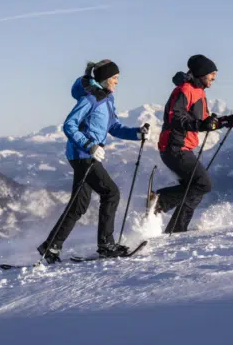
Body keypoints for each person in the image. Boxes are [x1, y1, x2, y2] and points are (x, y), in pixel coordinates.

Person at [37, 59, 150, 263]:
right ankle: (106, 244)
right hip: (83, 155)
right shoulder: (90, 99)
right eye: (114, 78)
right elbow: (69, 125)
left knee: (79, 204)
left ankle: (51, 246)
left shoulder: (107, 99)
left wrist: (137, 133)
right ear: (105, 79)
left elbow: (113, 127)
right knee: (111, 193)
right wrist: (89, 145)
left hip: (87, 154)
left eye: (117, 78)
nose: (117, 82)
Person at [148, 54, 233, 233]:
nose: (214, 78)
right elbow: (175, 117)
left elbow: (205, 121)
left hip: (181, 147)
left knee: (193, 186)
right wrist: (199, 125)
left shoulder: (198, 92)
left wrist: (226, 121)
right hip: (175, 147)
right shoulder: (185, 90)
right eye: (212, 74)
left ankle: (168, 215)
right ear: (202, 73)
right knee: (202, 184)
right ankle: (165, 210)